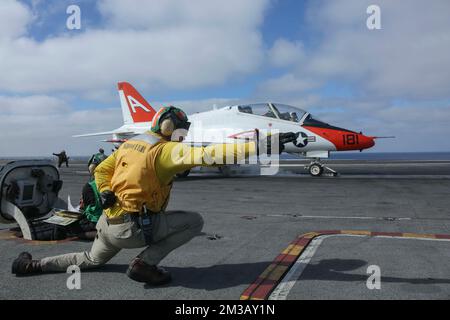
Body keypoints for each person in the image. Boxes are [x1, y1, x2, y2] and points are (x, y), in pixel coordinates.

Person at [12, 106, 297, 286]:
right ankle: (145, 264)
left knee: (89, 259)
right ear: (169, 128)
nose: (184, 136)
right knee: (194, 221)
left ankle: (32, 265)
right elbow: (211, 154)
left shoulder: (130, 144)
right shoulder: (165, 151)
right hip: (136, 230)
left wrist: (108, 192)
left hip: (107, 226)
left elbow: (100, 171)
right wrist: (264, 143)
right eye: (182, 131)